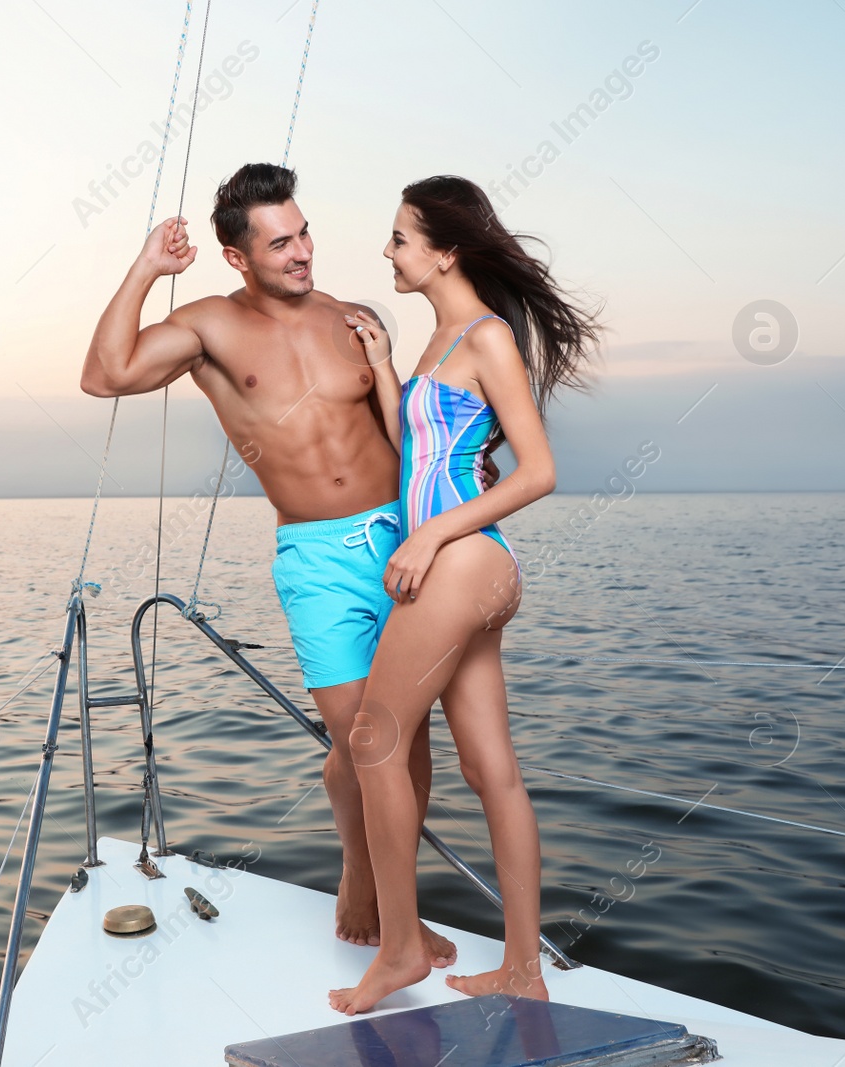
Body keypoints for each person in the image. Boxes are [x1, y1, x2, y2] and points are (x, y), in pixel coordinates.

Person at [81, 163, 492, 959]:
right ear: (239, 257)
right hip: (315, 558)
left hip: (399, 540)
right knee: (366, 741)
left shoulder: (357, 318)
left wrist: (440, 518)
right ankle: (366, 881)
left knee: (408, 744)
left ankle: (395, 908)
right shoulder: (209, 328)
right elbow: (104, 375)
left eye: (303, 232)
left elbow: (411, 441)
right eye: (280, 243)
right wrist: (145, 269)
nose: (303, 252)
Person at [328, 176, 599, 1014]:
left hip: (467, 562)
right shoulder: (439, 337)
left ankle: (402, 949)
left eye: (401, 238)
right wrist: (381, 366)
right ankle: (523, 968)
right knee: (492, 770)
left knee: (374, 738)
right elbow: (413, 451)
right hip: (461, 569)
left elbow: (540, 470)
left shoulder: (483, 338)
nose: (388, 252)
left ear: (445, 251)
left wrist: (432, 536)